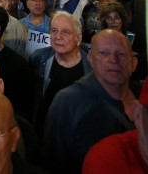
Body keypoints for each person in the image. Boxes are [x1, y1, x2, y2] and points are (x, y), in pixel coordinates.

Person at [42, 29, 139, 173]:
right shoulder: (67, 102)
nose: (113, 60)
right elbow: (52, 162)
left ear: (134, 62)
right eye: (104, 53)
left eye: (122, 54)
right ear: (91, 60)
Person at [28, 11, 93, 136]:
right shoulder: (38, 58)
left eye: (66, 32)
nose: (58, 36)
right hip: (44, 134)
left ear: (78, 38)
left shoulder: (92, 67)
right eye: (54, 30)